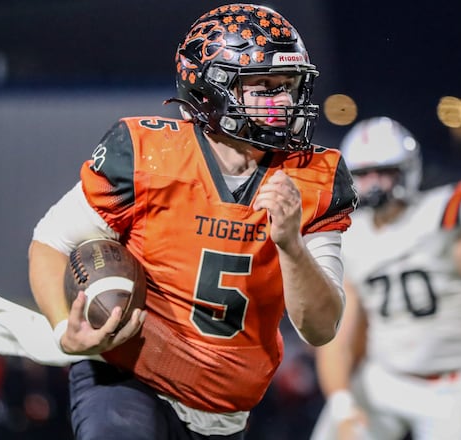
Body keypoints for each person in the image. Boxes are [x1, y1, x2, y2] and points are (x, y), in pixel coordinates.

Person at [28, 4, 357, 439]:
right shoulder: (149, 154)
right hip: (128, 378)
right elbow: (50, 241)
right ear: (210, 90)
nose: (283, 103)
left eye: (289, 86)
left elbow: (319, 328)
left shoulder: (314, 177)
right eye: (263, 87)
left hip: (224, 412)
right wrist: (63, 331)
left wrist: (292, 246)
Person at [310, 117, 461, 440]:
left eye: (383, 171)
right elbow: (339, 336)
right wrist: (342, 403)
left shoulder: (442, 221)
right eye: (363, 173)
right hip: (384, 377)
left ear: (407, 170)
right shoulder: (352, 237)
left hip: (452, 385)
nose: (373, 182)